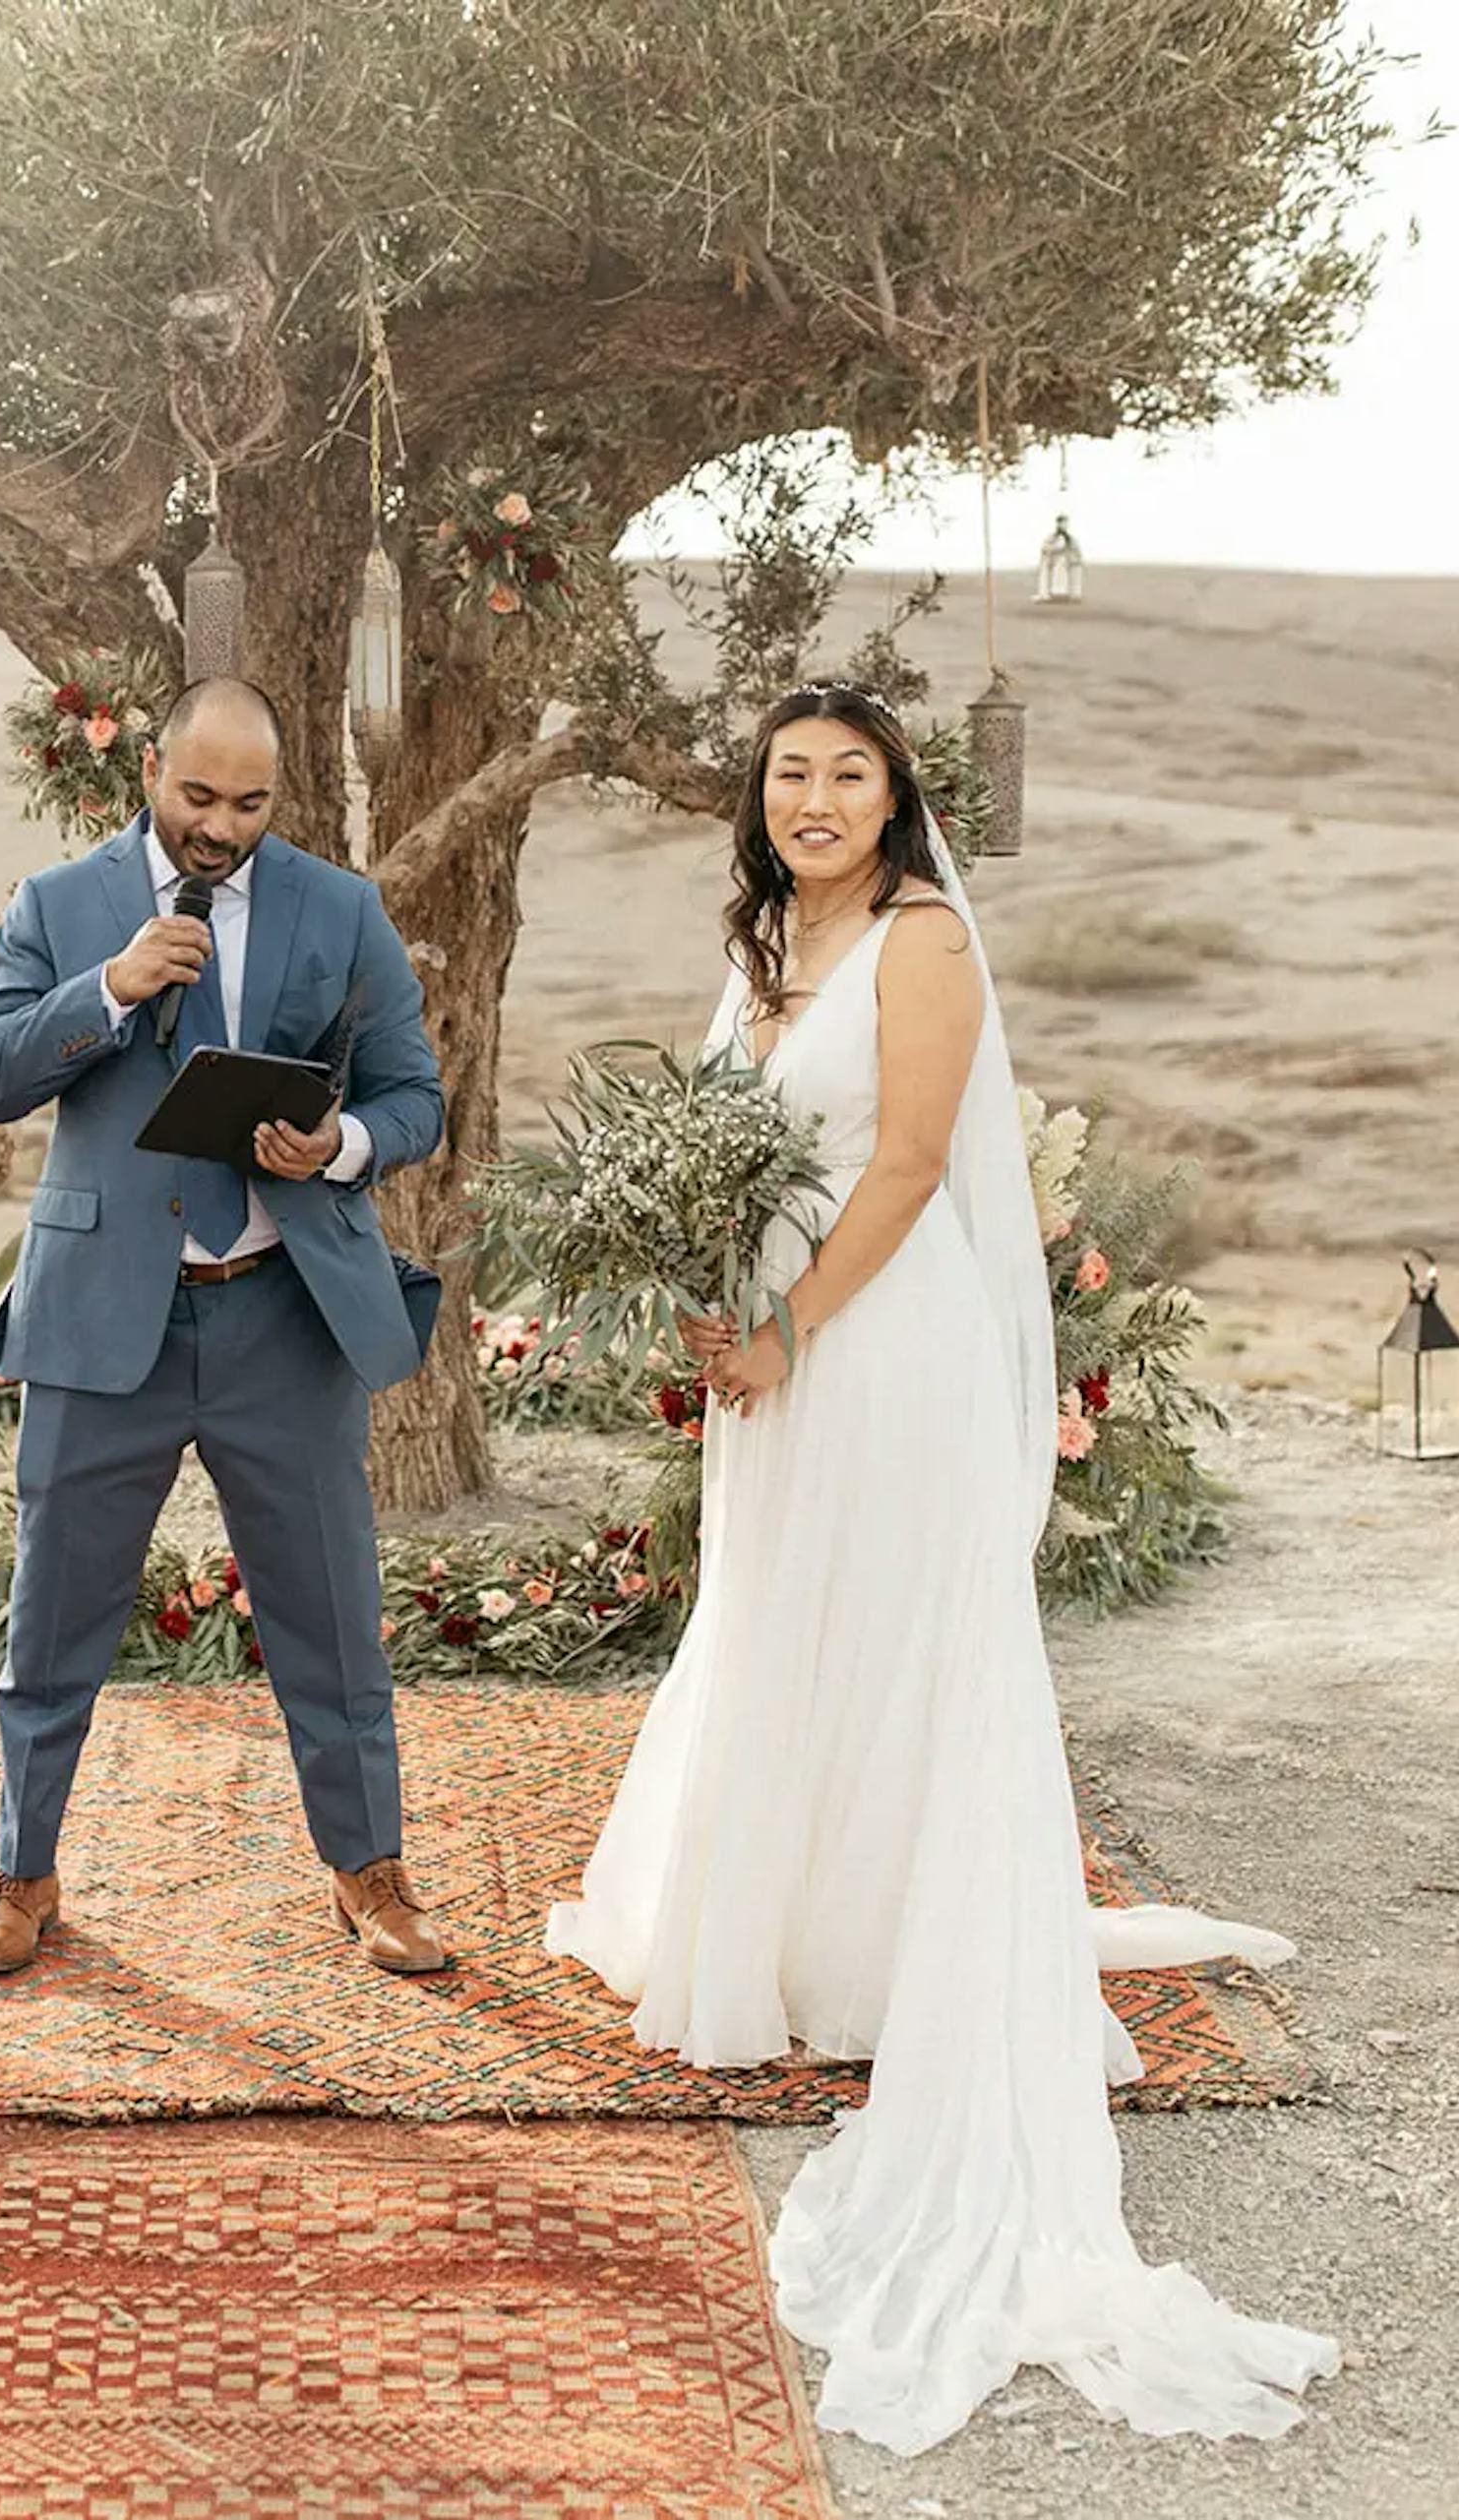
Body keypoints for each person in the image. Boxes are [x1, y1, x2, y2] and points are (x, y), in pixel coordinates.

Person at [544, 683, 1340, 2451]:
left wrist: (794, 1324)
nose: (815, 798)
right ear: (758, 803)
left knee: (892, 1636)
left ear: (897, 801)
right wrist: (712, 1295)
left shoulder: (919, 945)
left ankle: (893, 1955)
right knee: (776, 1619)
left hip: (876, 1347)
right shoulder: (764, 944)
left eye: (848, 775)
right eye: (788, 775)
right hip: (771, 1351)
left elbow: (905, 1165)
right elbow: (718, 1157)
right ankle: (785, 1931)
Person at [0, 679, 451, 1977]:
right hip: (99, 1320)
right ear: (151, 769)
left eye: (250, 803)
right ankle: (22, 1871)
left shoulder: (339, 909)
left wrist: (340, 1142)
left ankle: (371, 1870)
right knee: (51, 1611)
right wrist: (109, 988)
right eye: (197, 796)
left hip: (282, 1317)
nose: (221, 827)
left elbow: (414, 1094)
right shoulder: (57, 905)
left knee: (331, 1614)